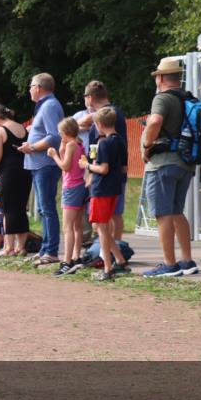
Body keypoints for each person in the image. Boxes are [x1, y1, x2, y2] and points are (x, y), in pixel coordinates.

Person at [140, 56, 198, 277]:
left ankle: (169, 264)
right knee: (176, 211)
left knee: (162, 214)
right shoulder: (187, 98)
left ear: (161, 77)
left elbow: (154, 122)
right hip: (185, 163)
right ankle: (186, 260)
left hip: (163, 163)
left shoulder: (162, 99)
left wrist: (147, 145)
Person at [17, 73, 64, 265]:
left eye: (30, 86)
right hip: (39, 164)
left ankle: (51, 250)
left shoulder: (50, 106)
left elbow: (54, 136)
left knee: (47, 208)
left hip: (46, 164)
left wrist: (32, 147)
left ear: (38, 87)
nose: (29, 90)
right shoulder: (44, 106)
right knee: (44, 209)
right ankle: (46, 248)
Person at [80, 108, 129, 280]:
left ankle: (108, 268)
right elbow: (124, 167)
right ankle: (120, 260)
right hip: (115, 188)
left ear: (99, 124)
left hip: (101, 189)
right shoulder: (120, 141)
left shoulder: (104, 143)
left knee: (100, 228)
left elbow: (103, 168)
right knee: (104, 226)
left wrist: (86, 165)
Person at [78, 80, 128, 241]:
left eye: (85, 97)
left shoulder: (104, 116)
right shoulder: (112, 113)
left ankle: (113, 248)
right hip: (113, 170)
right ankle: (112, 248)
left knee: (110, 214)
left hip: (105, 172)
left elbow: (98, 147)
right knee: (113, 213)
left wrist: (91, 170)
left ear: (90, 97)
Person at [0, 106, 31, 256]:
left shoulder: (0, 131)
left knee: (7, 207)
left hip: (9, 173)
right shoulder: (22, 127)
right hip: (25, 170)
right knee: (21, 208)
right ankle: (21, 247)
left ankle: (8, 247)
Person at [47, 118, 85, 276]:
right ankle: (76, 256)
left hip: (71, 187)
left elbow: (65, 166)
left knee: (67, 227)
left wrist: (54, 155)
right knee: (77, 225)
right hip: (80, 185)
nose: (59, 135)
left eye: (61, 132)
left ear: (66, 132)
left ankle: (67, 261)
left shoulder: (70, 145)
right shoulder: (79, 144)